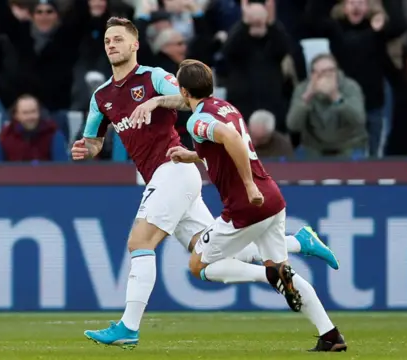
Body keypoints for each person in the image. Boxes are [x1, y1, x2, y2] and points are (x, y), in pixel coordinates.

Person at [72, 17, 339, 349]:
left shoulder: (154, 77)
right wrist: (87, 148)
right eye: (108, 40)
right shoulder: (101, 97)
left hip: (172, 169)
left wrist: (155, 100)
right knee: (212, 261)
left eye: (118, 39)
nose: (111, 44)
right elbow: (95, 141)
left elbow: (189, 100)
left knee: (140, 242)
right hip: (164, 176)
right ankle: (296, 247)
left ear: (134, 45)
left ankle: (129, 326)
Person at [132, 59, 347, 352]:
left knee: (198, 264)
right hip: (272, 199)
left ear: (183, 91)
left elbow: (230, 139)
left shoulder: (196, 120)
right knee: (285, 273)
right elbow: (227, 146)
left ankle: (274, 269)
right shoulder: (225, 107)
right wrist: (192, 155)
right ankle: (331, 335)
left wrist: (247, 184)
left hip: (247, 206)